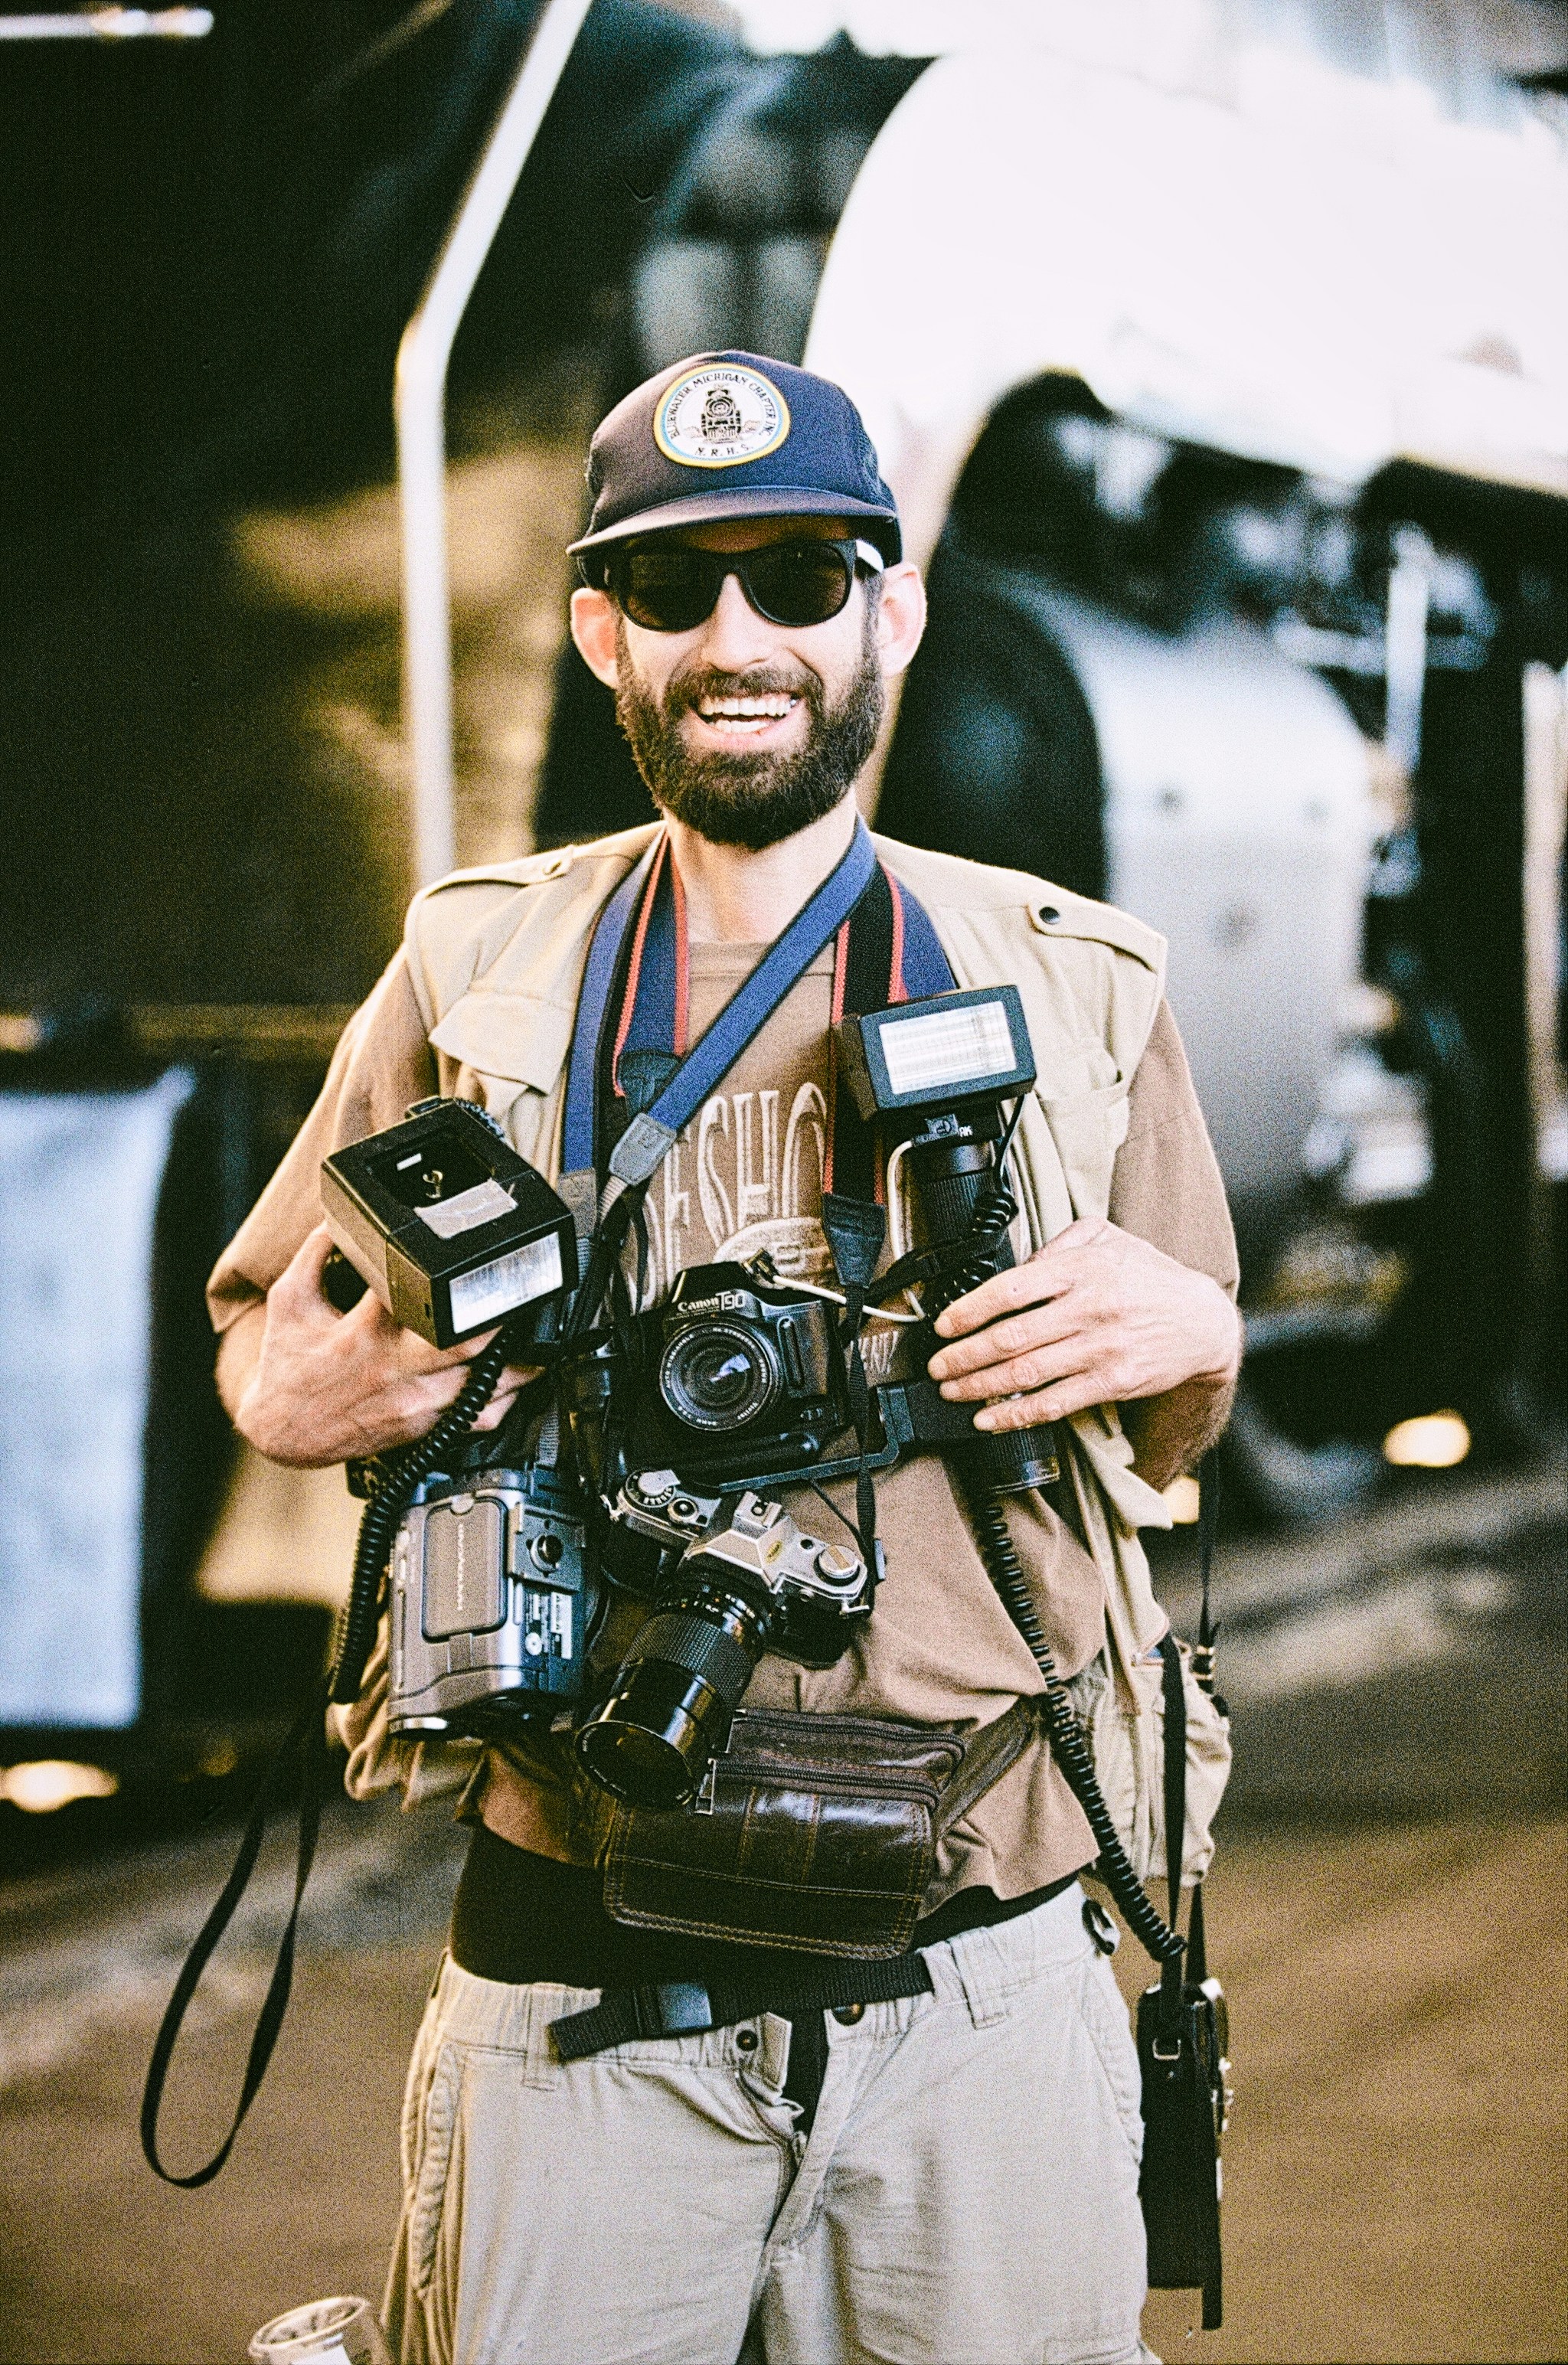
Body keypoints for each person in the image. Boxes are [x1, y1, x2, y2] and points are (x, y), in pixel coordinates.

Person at [208, 351, 1242, 2365]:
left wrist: (1201, 1326)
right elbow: (272, 1333)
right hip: (577, 1975)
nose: (738, 638)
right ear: (603, 634)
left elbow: (1181, 1391)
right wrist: (299, 1401)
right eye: (675, 588)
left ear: (891, 611)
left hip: (976, 1988)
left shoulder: (1072, 981)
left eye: (799, 578)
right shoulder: (480, 964)